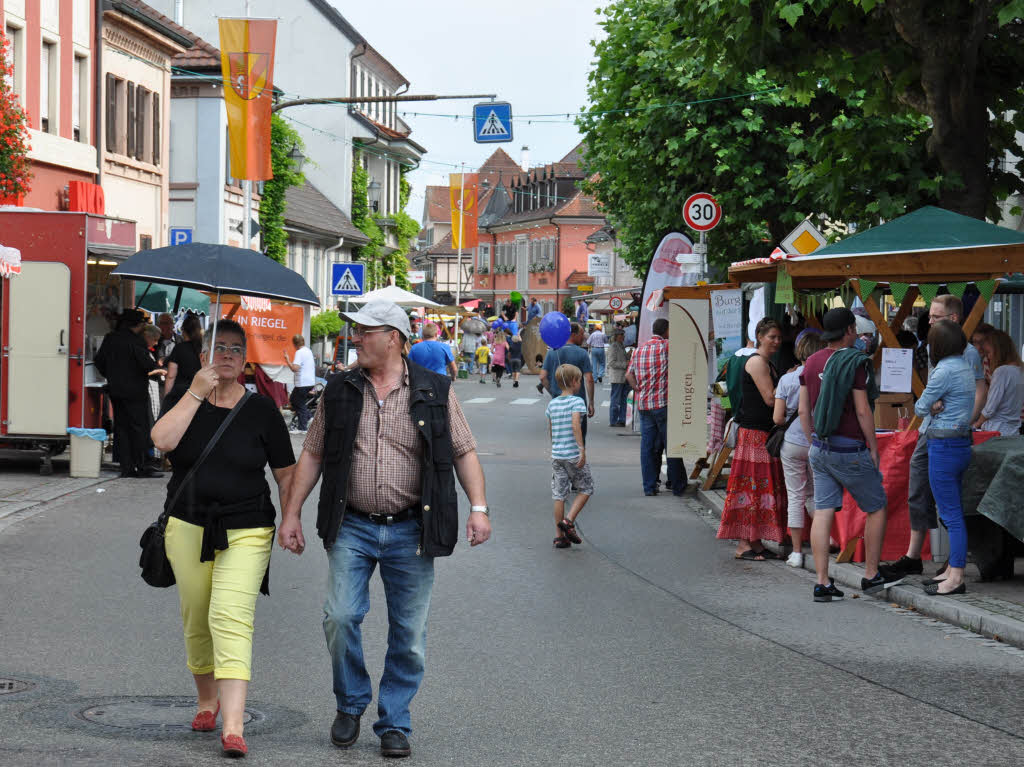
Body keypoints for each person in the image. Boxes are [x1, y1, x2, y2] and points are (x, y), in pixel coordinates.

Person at [276, 300, 491, 759]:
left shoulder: (434, 389)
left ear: (393, 337)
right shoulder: (339, 389)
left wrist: (479, 507)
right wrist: (291, 513)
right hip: (351, 523)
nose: (356, 338)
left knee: (409, 635)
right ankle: (350, 703)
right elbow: (312, 453)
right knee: (340, 616)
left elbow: (464, 451)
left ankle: (394, 721)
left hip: (413, 527)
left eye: (365, 332)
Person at [150, 320, 295, 758]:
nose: (228, 355)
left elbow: (285, 473)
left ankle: (233, 727)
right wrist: (195, 393)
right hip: (188, 524)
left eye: (236, 348)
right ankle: (206, 700)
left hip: (247, 527)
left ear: (245, 359)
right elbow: (160, 442)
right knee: (197, 618)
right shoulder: (185, 398)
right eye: (220, 347)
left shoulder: (261, 410)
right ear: (204, 354)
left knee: (229, 617)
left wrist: (292, 519)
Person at [883, 295, 988, 581]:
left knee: (950, 500)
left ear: (953, 319)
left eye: (936, 317)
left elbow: (979, 387)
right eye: (930, 316)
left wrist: (967, 418)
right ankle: (914, 555)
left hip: (945, 432)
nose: (929, 322)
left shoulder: (963, 353)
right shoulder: (936, 348)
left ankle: (952, 564)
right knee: (920, 489)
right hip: (930, 428)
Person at [800, 308, 894, 603]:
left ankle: (822, 582)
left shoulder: (812, 361)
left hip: (820, 446)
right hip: (849, 448)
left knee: (824, 510)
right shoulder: (855, 362)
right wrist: (874, 447)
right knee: (876, 506)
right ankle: (870, 574)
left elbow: (804, 410)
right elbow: (863, 410)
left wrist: (813, 441)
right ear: (850, 330)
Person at [912, 319, 975, 596]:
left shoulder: (942, 371)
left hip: (943, 445)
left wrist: (933, 406)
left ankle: (956, 575)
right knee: (953, 510)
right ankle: (951, 570)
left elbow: (920, 406)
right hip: (961, 442)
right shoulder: (965, 367)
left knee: (950, 513)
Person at [716, 318, 787, 559]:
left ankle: (754, 541)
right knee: (752, 488)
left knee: (757, 488)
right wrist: (791, 382)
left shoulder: (762, 361)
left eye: (778, 337)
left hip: (759, 431)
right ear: (759, 336)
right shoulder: (757, 362)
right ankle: (744, 544)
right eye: (772, 337)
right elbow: (769, 398)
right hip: (754, 433)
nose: (776, 341)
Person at [94, 309, 167, 478]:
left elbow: (99, 361)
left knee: (121, 427)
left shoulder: (110, 338)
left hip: (116, 390)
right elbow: (147, 365)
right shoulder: (136, 342)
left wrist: (111, 375)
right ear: (137, 325)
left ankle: (126, 467)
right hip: (135, 391)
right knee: (138, 428)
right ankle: (141, 466)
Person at [773, 332, 826, 567]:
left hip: (793, 443)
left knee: (796, 495)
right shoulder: (825, 378)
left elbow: (777, 418)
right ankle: (827, 540)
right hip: (817, 441)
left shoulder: (787, 380)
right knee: (817, 495)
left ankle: (796, 552)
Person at [626, 318, 684, 496]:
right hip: (663, 403)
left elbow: (629, 375)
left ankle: (649, 486)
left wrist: (638, 388)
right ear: (666, 330)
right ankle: (678, 485)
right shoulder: (666, 346)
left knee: (648, 447)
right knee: (671, 445)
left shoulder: (639, 350)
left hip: (644, 405)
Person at [546, 363, 594, 549]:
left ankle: (560, 537)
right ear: (574, 382)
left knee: (559, 494)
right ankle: (569, 520)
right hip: (572, 454)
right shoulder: (577, 402)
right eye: (580, 380)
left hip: (557, 454)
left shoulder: (552, 403)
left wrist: (555, 447)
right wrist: (581, 449)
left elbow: (550, 429)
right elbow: (576, 425)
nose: (580, 384)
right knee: (586, 487)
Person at [541, 323, 595, 441]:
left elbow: (543, 377)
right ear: (573, 334)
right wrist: (591, 402)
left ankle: (560, 457)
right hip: (578, 401)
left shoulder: (551, 352)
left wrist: (554, 392)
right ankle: (580, 456)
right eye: (581, 334)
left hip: (557, 399)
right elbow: (589, 379)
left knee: (558, 436)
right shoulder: (582, 353)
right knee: (579, 436)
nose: (583, 338)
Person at [974, 329, 1024, 435]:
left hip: (996, 430)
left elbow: (990, 408)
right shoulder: (1020, 370)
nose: (988, 357)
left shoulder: (1001, 372)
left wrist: (975, 424)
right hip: (1014, 430)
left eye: (988, 352)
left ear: (999, 351)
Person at [283, 334, 316, 432]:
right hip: (309, 382)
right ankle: (309, 417)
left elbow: (294, 368)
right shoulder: (308, 351)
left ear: (295, 344)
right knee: (294, 399)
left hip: (303, 383)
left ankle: (302, 428)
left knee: (298, 403)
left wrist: (287, 360)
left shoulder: (299, 352)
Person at [164, 313, 203, 397]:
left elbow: (171, 376)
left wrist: (166, 397)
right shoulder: (204, 348)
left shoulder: (179, 348)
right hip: (200, 392)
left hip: (181, 393)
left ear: (183, 330)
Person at [607, 328, 630, 427]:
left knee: (623, 399)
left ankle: (622, 419)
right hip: (617, 378)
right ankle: (613, 420)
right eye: (622, 335)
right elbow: (611, 363)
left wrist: (628, 356)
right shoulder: (613, 347)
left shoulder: (621, 346)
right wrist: (625, 363)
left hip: (623, 377)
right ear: (617, 336)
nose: (624, 337)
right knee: (615, 400)